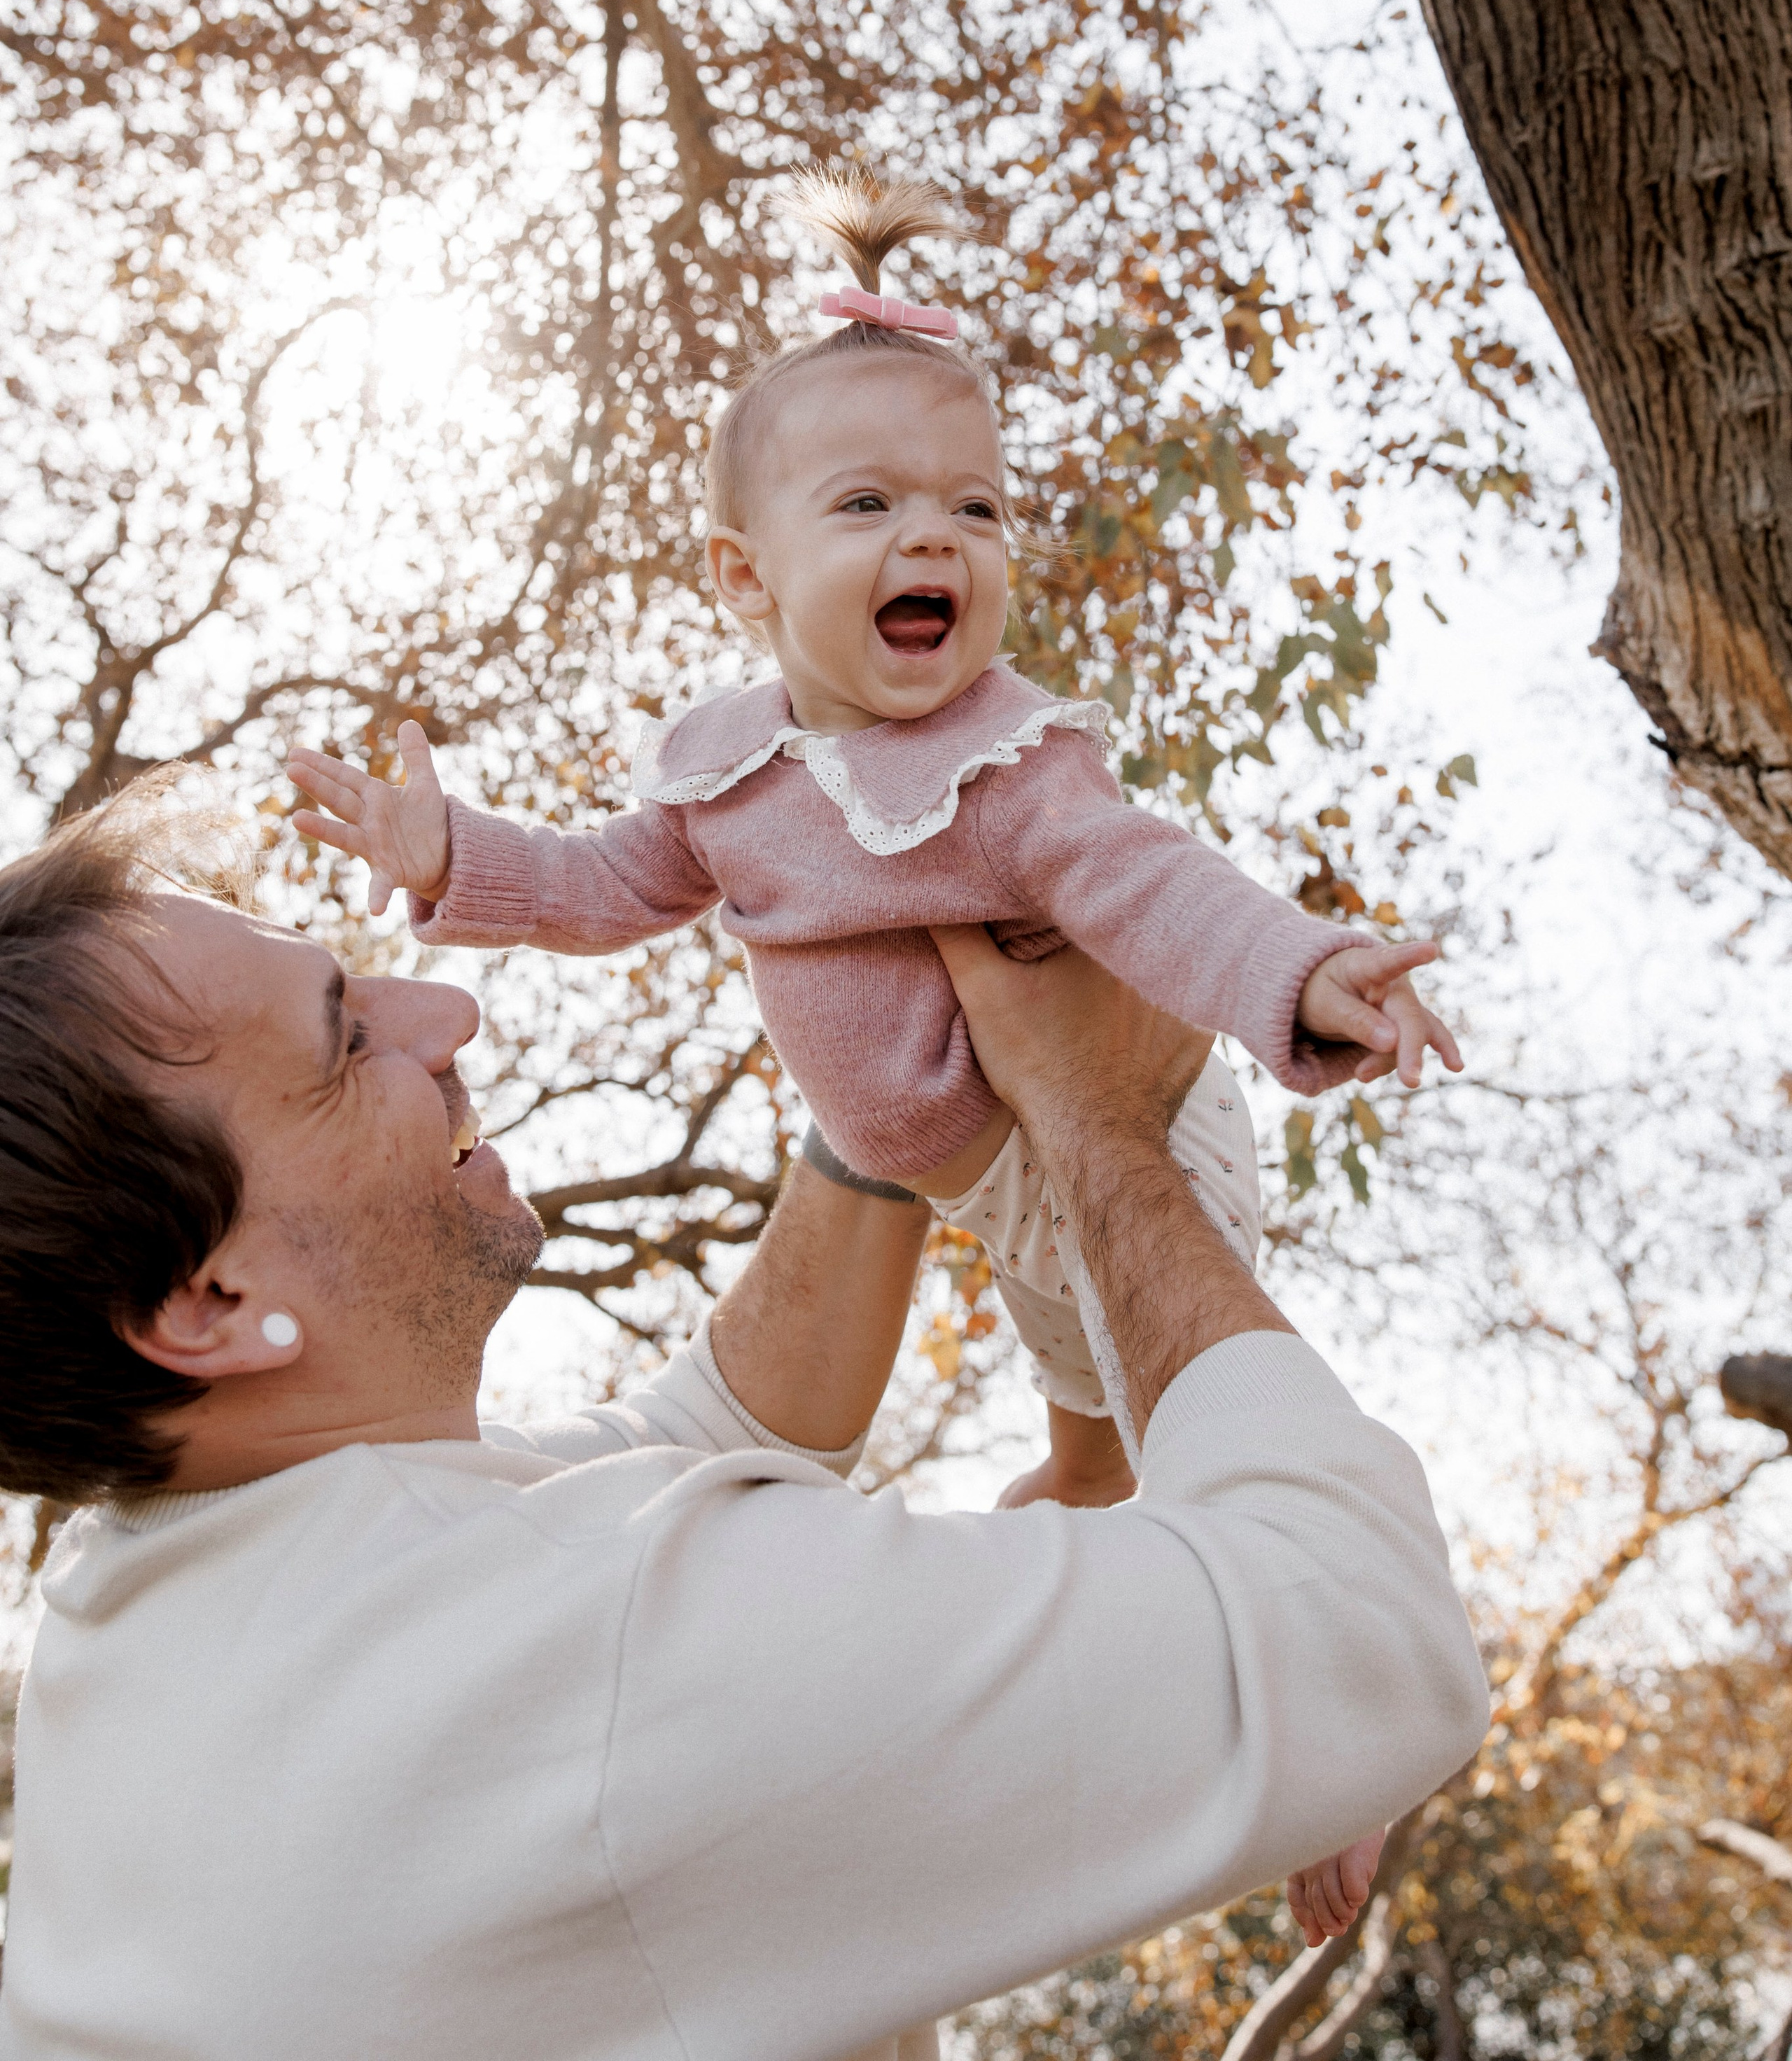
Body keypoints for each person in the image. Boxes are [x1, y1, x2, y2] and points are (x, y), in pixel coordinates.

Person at [0, 783, 1488, 2060]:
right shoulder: (575, 1659)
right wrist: (1091, 1109)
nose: (443, 1009)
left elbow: (717, 1418)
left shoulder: (148, 1595)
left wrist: (889, 1080)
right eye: (342, 1047)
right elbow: (1357, 1631)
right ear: (203, 1298)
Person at [286, 166, 1462, 1524]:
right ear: (745, 577)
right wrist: (448, 857)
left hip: (1125, 1124)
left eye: (976, 509)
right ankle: (1086, 1468)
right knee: (1050, 1321)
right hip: (970, 1162)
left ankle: (1209, 1525)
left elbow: (1151, 885)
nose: (934, 536)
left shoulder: (1005, 762)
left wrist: (1300, 975)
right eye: (868, 507)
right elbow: (605, 885)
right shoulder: (721, 769)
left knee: (1152, 1368)